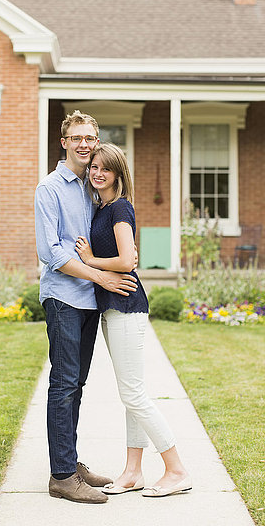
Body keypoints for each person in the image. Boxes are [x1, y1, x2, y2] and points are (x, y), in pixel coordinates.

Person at [75, 142, 191, 498]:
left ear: (118, 174)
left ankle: (175, 469)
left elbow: (127, 261)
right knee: (131, 394)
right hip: (113, 306)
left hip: (126, 305)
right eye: (94, 166)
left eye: (105, 168)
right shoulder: (102, 208)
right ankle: (132, 472)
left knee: (134, 394)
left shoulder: (120, 208)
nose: (97, 172)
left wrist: (91, 260)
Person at [34, 111, 138, 504]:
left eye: (90, 138)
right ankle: (61, 476)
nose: (84, 144)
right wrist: (102, 276)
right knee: (63, 384)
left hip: (87, 301)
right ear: (64, 142)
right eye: (76, 137)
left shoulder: (90, 186)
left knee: (75, 385)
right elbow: (52, 252)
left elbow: (100, 238)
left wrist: (122, 257)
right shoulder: (50, 188)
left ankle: (70, 460)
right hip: (63, 297)